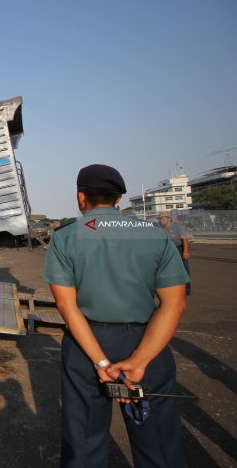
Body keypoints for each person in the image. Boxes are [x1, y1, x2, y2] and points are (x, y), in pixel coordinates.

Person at [42, 164, 189, 468]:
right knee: (158, 441)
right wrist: (140, 360)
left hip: (87, 346)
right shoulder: (155, 236)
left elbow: (66, 307)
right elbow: (173, 304)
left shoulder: (66, 238)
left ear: (82, 198)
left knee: (83, 442)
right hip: (146, 341)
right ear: (119, 198)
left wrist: (102, 363)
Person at [158, 211, 191, 295]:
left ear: (169, 218)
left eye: (163, 218)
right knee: (168, 269)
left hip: (179, 249)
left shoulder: (177, 227)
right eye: (160, 219)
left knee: (184, 268)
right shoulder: (161, 229)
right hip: (168, 250)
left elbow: (184, 239)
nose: (161, 220)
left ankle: (187, 288)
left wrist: (185, 251)